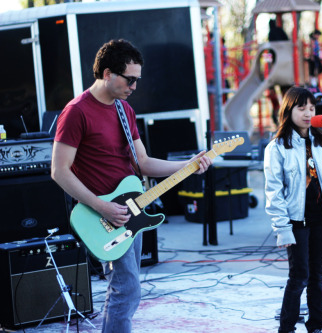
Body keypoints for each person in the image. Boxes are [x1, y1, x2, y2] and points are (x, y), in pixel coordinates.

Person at [51, 39, 212, 333]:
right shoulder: (76, 112)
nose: (135, 86)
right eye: (130, 79)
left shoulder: (124, 111)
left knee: (125, 291)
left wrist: (189, 165)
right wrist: (102, 206)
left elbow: (143, 162)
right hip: (101, 215)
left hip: (131, 212)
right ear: (108, 73)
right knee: (126, 290)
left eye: (137, 79)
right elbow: (59, 172)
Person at [263, 87, 322, 333]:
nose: (308, 113)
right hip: (296, 222)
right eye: (301, 108)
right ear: (289, 110)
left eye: (312, 108)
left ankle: (316, 325)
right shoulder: (276, 148)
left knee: (318, 276)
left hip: (321, 218)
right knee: (299, 276)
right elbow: (273, 191)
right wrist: (281, 228)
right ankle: (286, 328)